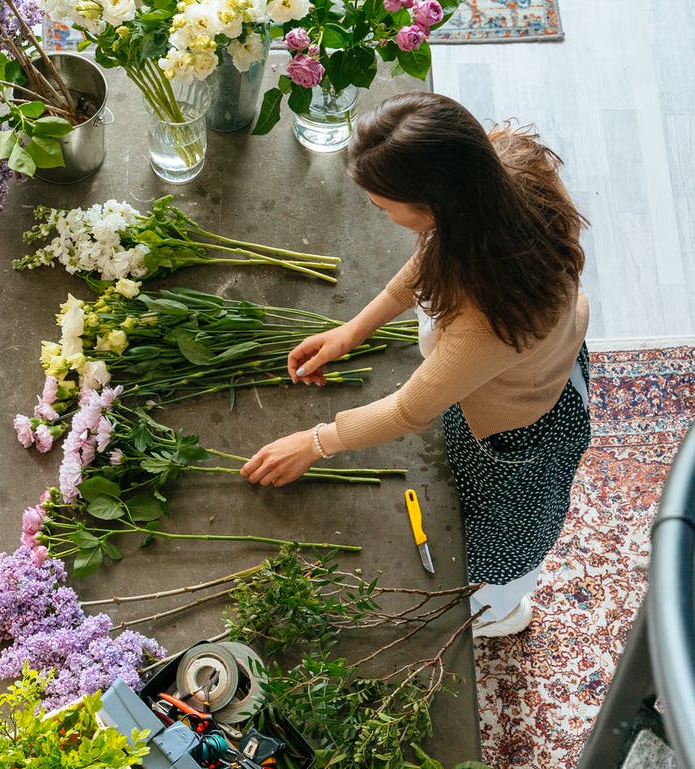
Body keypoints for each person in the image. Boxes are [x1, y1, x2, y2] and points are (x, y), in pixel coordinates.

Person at [240, 92, 591, 638]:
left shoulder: (489, 318)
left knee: (496, 542)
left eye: (385, 207)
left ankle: (500, 612)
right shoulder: (502, 168)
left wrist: (314, 442)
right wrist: (354, 329)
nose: (381, 215)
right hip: (532, 365)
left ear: (436, 206)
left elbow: (410, 410)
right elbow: (432, 258)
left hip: (517, 429)